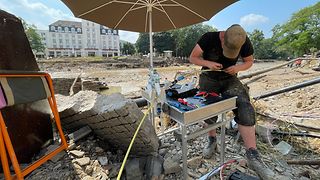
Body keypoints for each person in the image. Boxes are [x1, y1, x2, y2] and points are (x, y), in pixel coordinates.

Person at [189, 24, 275, 179]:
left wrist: (237, 68)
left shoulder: (243, 40)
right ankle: (212, 139)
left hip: (230, 78)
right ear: (223, 37)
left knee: (244, 106)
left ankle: (253, 154)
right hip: (209, 77)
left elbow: (249, 61)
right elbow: (193, 57)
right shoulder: (208, 38)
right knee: (208, 108)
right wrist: (208, 64)